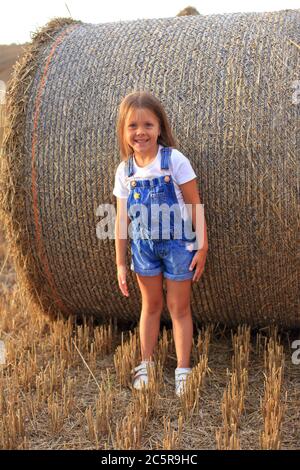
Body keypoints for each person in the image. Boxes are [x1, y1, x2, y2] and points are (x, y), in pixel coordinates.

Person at [113, 91, 208, 397]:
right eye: (133, 126)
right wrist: (120, 263)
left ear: (159, 128)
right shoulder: (125, 171)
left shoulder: (173, 160)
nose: (140, 132)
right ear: (124, 132)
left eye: (148, 125)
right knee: (150, 306)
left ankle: (183, 369)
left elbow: (195, 205)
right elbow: (120, 220)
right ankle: (147, 363)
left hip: (179, 246)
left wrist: (202, 246)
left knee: (178, 307)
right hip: (143, 249)